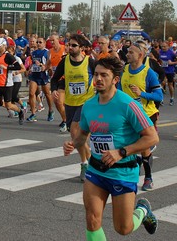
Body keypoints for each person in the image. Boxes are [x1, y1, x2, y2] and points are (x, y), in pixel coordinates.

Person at [63, 56, 159, 240]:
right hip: (96, 170)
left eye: (104, 75)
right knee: (92, 220)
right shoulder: (89, 105)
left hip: (122, 172)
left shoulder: (128, 104)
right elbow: (83, 134)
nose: (98, 79)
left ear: (115, 79)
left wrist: (121, 152)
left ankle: (142, 210)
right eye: (96, 75)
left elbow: (152, 137)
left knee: (123, 228)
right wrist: (72, 144)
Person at [119, 42, 163, 192]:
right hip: (129, 114)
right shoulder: (124, 69)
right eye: (127, 51)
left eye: (131, 52)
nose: (127, 54)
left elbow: (159, 96)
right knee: (127, 144)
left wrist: (141, 94)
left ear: (140, 55)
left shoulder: (148, 73)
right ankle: (132, 168)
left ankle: (148, 178)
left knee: (144, 148)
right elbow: (119, 90)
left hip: (147, 114)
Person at [51, 34, 95, 181]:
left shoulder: (90, 62)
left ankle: (87, 165)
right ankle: (90, 162)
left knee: (77, 132)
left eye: (74, 45)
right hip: (70, 103)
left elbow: (103, 76)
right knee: (75, 136)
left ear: (82, 48)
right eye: (69, 45)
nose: (70, 47)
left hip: (86, 103)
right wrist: (54, 90)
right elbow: (54, 78)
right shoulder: (65, 62)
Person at [26, 37, 54, 122]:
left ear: (44, 43)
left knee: (47, 94)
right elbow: (33, 63)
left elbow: (50, 65)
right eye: (37, 42)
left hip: (43, 75)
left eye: (40, 42)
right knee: (31, 93)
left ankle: (50, 110)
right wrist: (30, 68)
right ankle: (33, 113)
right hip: (35, 75)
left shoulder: (47, 52)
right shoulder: (33, 52)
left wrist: (43, 66)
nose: (38, 43)